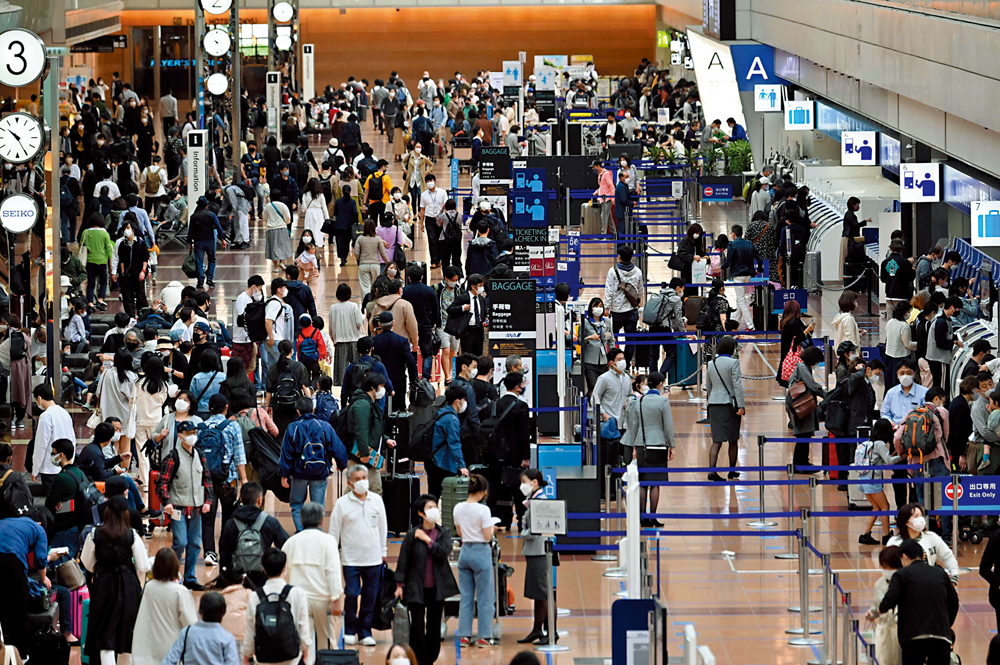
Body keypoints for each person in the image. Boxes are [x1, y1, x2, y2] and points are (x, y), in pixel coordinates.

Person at [81, 495, 151, 665]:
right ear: (125, 514)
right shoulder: (132, 535)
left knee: (106, 636)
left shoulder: (94, 534)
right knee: (128, 633)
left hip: (103, 585)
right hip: (128, 586)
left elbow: (87, 564)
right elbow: (143, 566)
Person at [869, 538, 959, 665]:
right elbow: (954, 602)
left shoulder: (902, 574)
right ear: (922, 555)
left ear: (904, 557)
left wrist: (880, 609)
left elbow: (890, 599)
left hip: (913, 636)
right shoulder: (940, 573)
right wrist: (946, 624)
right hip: (940, 635)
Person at [393, 494, 458, 665]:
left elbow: (443, 553)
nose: (434, 510)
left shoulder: (444, 533)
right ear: (421, 513)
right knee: (417, 626)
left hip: (437, 588)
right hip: (416, 587)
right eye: (429, 507)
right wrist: (400, 584)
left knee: (434, 625)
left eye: (435, 506)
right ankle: (419, 658)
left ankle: (431, 657)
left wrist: (427, 540)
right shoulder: (411, 535)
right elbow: (403, 560)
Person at [329, 464, 387, 647]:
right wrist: (332, 557)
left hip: (374, 559)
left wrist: (383, 551)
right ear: (349, 483)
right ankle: (350, 630)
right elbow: (333, 533)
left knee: (370, 597)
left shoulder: (377, 501)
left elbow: (382, 528)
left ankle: (365, 632)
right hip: (350, 559)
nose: (362, 482)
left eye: (364, 478)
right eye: (357, 479)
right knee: (352, 593)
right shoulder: (341, 504)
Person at [157, 419, 214, 590]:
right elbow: (162, 482)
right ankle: (171, 574)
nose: (192, 437)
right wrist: (166, 502)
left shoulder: (200, 455)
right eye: (189, 434)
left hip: (196, 507)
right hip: (178, 508)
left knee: (195, 543)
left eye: (194, 433)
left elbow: (207, 479)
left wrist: (208, 501)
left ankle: (190, 577)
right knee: (180, 542)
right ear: (181, 436)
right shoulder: (173, 457)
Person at [282, 501, 343, 657]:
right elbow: (333, 571)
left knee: (303, 644)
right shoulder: (328, 541)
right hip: (323, 599)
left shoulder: (291, 542)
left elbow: (284, 573)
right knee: (327, 642)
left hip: (298, 599)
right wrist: (337, 597)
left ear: (301, 520)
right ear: (321, 521)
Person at [279, 397, 347, 531]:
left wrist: (284, 474)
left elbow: (287, 453)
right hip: (320, 472)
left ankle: (300, 530)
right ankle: (316, 531)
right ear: (313, 409)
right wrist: (341, 463)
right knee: (318, 505)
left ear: (298, 411)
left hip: (299, 473)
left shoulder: (293, 427)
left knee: (297, 504)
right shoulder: (324, 426)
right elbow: (337, 447)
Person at [0, 508, 57, 658]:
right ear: (40, 523)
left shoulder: (6, 520)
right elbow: (40, 559)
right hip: (10, 561)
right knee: (19, 611)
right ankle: (22, 655)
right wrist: (44, 579)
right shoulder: (39, 529)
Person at [621, 371, 676, 523]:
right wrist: (672, 446)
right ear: (659, 384)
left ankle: (642, 517)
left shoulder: (639, 401)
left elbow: (634, 425)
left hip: (641, 445)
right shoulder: (663, 402)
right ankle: (653, 517)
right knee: (655, 483)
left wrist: (633, 447)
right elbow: (668, 427)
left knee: (643, 482)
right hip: (658, 445)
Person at [242, 548, 312, 665]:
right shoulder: (297, 593)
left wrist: (246, 657)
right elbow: (303, 627)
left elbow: (250, 631)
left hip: (264, 658)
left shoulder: (255, 597)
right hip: (291, 659)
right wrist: (305, 655)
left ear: (264, 570)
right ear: (285, 568)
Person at [131, 548, 198, 665]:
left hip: (145, 653)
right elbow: (191, 623)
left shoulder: (149, 587)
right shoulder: (180, 592)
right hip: (171, 653)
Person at [218, 482, 288, 588]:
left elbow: (224, 555)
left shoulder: (230, 524)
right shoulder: (270, 522)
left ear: (241, 500)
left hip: (238, 580)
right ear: (259, 500)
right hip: (263, 580)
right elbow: (285, 545)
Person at [454, 473, 497, 648]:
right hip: (481, 552)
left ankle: (464, 635)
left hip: (465, 552)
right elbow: (487, 535)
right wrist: (493, 527)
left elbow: (460, 533)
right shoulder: (483, 510)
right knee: (485, 596)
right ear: (484, 492)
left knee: (466, 597)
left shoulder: (457, 507)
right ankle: (484, 636)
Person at [855, 419, 904, 545]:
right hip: (873, 481)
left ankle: (865, 534)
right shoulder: (880, 444)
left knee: (876, 507)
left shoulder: (870, 442)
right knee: (885, 507)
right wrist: (901, 457)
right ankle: (887, 535)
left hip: (864, 479)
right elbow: (888, 461)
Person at [704, 336, 746, 480]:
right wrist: (741, 405)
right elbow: (737, 386)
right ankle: (732, 470)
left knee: (717, 440)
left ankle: (712, 471)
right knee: (733, 438)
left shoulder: (711, 363)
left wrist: (709, 403)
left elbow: (708, 387)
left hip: (714, 403)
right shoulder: (734, 363)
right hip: (729, 404)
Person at [885, 502, 959, 584]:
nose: (920, 519)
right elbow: (888, 567)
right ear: (906, 521)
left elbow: (948, 557)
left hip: (931, 583)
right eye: (916, 516)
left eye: (921, 516)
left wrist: (954, 577)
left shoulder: (932, 537)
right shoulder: (894, 542)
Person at [160, 591, 240, 665]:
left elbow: (168, 661)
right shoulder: (227, 638)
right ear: (224, 612)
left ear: (200, 611)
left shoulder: (186, 633)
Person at [425, 384, 470, 497]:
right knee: (447, 496)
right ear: (457, 401)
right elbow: (454, 444)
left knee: (433, 494)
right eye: (464, 400)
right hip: (442, 463)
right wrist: (462, 466)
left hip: (432, 460)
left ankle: (429, 513)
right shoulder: (452, 419)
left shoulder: (441, 412)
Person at [30, 382, 77, 487]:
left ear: (39, 398)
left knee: (52, 499)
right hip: (65, 465)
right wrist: (70, 461)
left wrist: (35, 470)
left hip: (49, 468)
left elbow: (41, 445)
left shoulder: (45, 416)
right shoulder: (65, 413)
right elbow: (73, 439)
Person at [604, 246, 643, 366]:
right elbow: (640, 289)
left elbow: (609, 290)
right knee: (630, 340)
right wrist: (639, 301)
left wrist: (606, 307)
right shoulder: (637, 271)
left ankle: (615, 362)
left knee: (612, 338)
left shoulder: (613, 271)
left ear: (619, 257)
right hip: (631, 310)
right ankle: (625, 365)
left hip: (616, 311)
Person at [266, 339, 312, 437]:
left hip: (279, 406)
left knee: (281, 433)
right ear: (292, 351)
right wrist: (310, 402)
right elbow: (305, 387)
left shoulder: (273, 368)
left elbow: (269, 390)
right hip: (295, 405)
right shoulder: (299, 366)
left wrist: (268, 406)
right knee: (296, 432)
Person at [721, 224, 763, 331]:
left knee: (741, 300)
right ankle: (736, 323)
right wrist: (760, 269)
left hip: (738, 275)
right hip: (748, 275)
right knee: (740, 299)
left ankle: (751, 325)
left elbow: (729, 261)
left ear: (734, 234)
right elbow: (759, 258)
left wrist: (721, 267)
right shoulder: (749, 243)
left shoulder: (732, 245)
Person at [868, 546, 903, 665]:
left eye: (890, 567)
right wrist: (872, 613)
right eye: (884, 567)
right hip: (884, 633)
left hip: (903, 632)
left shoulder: (909, 583)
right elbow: (877, 606)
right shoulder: (879, 584)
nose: (887, 570)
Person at [927, 296, 963, 393]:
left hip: (938, 358)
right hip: (939, 359)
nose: (957, 312)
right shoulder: (941, 322)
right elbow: (941, 343)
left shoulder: (944, 319)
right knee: (941, 387)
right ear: (952, 307)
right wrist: (954, 342)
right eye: (957, 309)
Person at [580, 297, 615, 397]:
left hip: (604, 361)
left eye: (600, 306)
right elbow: (579, 341)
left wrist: (612, 358)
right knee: (593, 387)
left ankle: (601, 409)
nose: (598, 309)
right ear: (591, 308)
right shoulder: (585, 322)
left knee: (603, 388)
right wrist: (589, 338)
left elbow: (611, 340)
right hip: (590, 361)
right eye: (596, 306)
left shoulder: (607, 322)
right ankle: (594, 407)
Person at [881, 359, 929, 426]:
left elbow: (928, 414)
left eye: (909, 373)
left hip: (916, 430)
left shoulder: (924, 392)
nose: (905, 376)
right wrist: (890, 422)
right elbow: (884, 413)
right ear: (897, 375)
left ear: (914, 374)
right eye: (902, 373)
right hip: (895, 429)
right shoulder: (891, 392)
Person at [777, 300, 813, 388]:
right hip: (795, 357)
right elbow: (796, 339)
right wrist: (807, 331)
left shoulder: (784, 322)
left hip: (786, 357)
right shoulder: (796, 322)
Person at [355, 219, 390, 295]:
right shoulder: (378, 239)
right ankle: (374, 303)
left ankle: (366, 303)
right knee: (375, 286)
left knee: (365, 287)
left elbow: (356, 253)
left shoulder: (360, 238)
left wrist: (360, 258)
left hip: (363, 265)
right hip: (375, 265)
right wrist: (388, 263)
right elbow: (383, 253)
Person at [881, 238, 916, 311]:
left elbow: (883, 279)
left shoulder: (884, 262)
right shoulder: (905, 262)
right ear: (901, 249)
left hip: (889, 294)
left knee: (890, 319)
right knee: (902, 318)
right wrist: (912, 268)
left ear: (891, 248)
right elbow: (911, 277)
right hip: (902, 295)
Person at [675, 223, 705, 297]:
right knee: (687, 289)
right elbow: (681, 253)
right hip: (686, 270)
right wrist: (692, 257)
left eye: (699, 233)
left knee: (694, 290)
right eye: (696, 233)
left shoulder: (697, 242)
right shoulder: (685, 241)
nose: (697, 235)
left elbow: (700, 252)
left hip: (696, 270)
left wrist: (705, 256)